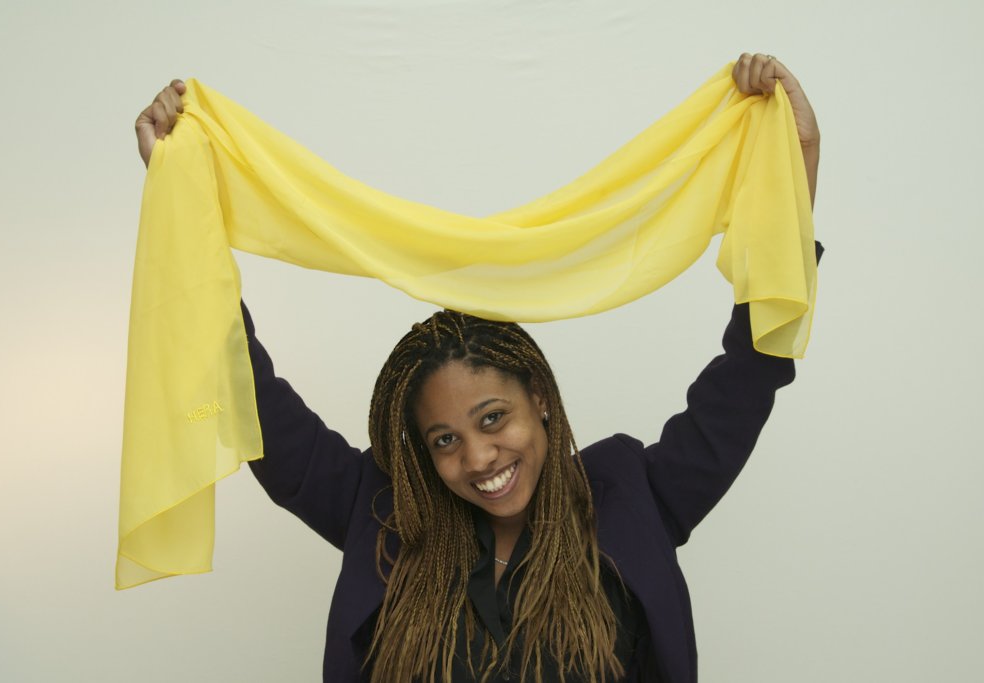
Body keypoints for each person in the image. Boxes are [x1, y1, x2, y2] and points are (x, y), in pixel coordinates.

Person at [135, 52, 822, 683]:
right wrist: (180, 195)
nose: (478, 457)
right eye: (444, 439)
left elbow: (749, 371)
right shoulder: (379, 514)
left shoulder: (632, 495)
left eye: (493, 418)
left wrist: (794, 165)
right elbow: (249, 399)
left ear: (539, 398)